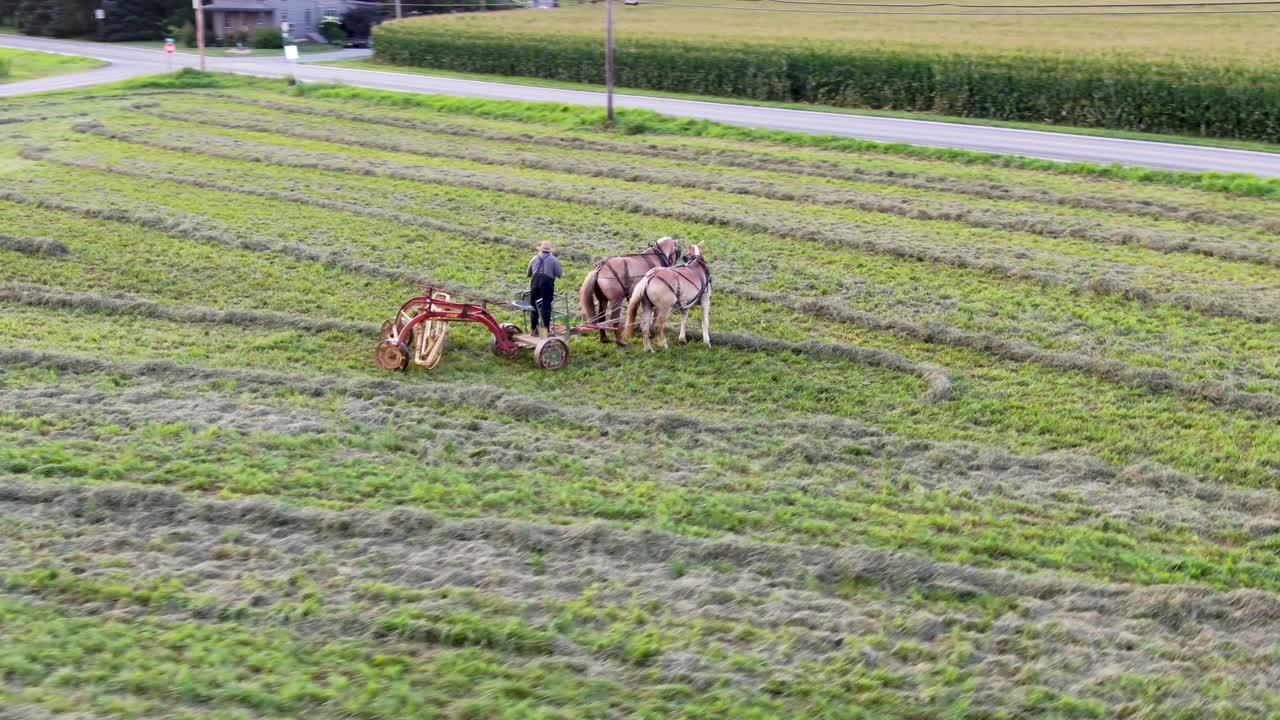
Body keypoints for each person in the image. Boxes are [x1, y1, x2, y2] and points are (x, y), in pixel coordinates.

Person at [527, 240, 564, 337]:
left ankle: (533, 330)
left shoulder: (534, 258)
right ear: (550, 250)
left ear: (541, 249)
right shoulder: (554, 260)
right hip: (547, 283)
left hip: (535, 282)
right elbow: (560, 274)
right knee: (546, 307)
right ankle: (545, 332)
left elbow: (528, 273)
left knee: (534, 306)